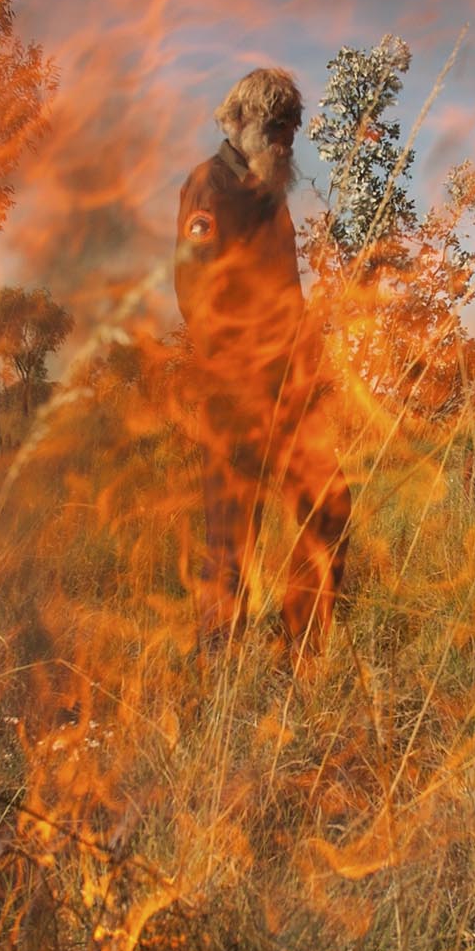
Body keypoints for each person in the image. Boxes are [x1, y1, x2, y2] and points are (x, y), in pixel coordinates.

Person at [172, 67, 351, 659]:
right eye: (276, 126)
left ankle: (299, 648)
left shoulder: (269, 197)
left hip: (287, 387)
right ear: (240, 120)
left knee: (329, 503)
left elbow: (288, 297)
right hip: (235, 393)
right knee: (232, 537)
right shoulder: (210, 187)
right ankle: (216, 671)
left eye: (292, 128)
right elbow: (196, 292)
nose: (286, 140)